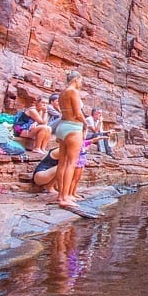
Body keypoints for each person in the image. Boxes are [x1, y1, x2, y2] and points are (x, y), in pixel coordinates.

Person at [56, 71, 86, 208]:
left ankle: (60, 195)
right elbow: (78, 113)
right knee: (71, 163)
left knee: (62, 163)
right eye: (80, 80)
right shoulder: (73, 91)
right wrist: (85, 124)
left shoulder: (62, 93)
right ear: (76, 79)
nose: (81, 83)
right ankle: (65, 197)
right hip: (73, 128)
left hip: (62, 126)